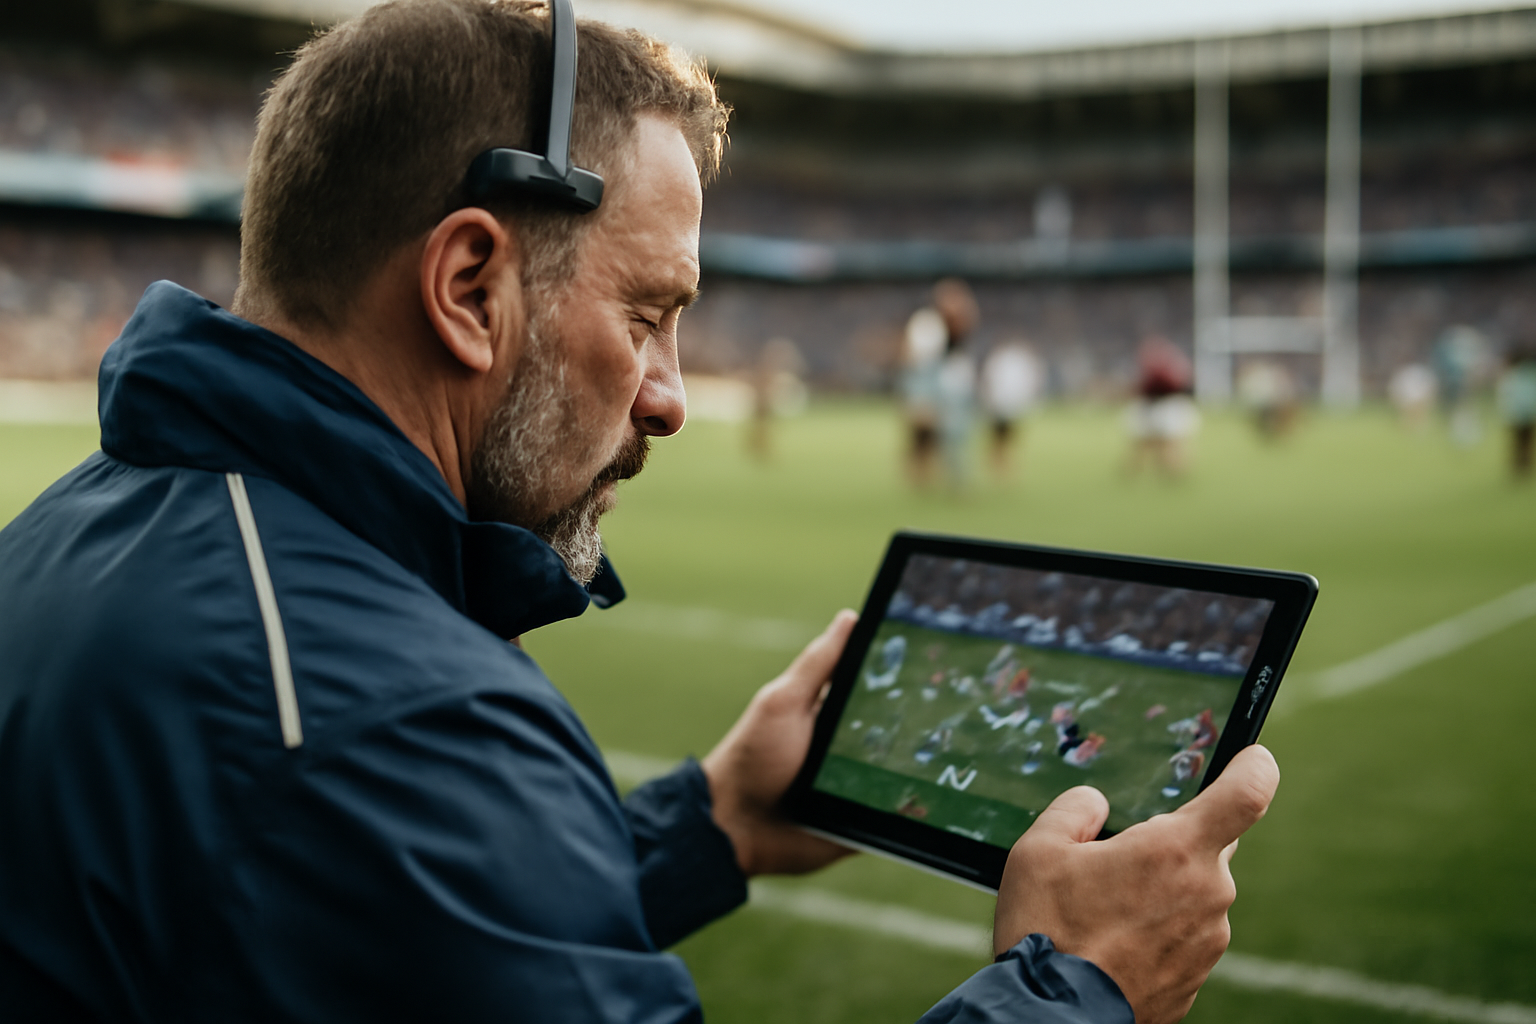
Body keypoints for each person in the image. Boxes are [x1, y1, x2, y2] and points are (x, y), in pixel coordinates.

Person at [0, 2, 1280, 1022]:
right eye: (648, 316)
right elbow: (380, 813)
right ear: (467, 285)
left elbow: (371, 928)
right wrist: (1077, 990)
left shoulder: (66, 533)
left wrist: (712, 818)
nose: (670, 399)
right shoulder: (404, 720)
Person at [1125, 334, 1199, 478]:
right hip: (1156, 407)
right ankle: (1168, 471)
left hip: (1165, 407)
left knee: (1167, 444)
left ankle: (1173, 471)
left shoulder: (1164, 370)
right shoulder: (1169, 367)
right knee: (1147, 444)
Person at [980, 340, 1044, 477]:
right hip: (1001, 405)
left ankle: (1003, 464)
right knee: (999, 438)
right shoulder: (1002, 359)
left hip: (1009, 405)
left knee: (1007, 438)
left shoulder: (1002, 359)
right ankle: (998, 464)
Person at [1496, 343, 1536, 479]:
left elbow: (1507, 396)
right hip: (1528, 413)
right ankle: (1524, 467)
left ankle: (1520, 467)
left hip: (1517, 415)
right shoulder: (1529, 372)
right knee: (1526, 443)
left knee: (1518, 443)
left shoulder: (1512, 375)